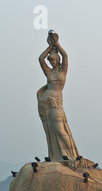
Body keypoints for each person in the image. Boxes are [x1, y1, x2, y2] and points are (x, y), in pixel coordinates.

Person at [37, 31, 80, 162]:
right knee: (51, 131)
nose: (51, 61)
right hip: (46, 103)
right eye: (50, 60)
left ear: (58, 60)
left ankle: (71, 156)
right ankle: (57, 156)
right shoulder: (48, 72)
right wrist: (50, 47)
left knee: (60, 130)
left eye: (53, 59)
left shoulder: (63, 70)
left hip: (57, 103)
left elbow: (65, 55)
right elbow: (40, 59)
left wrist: (57, 44)